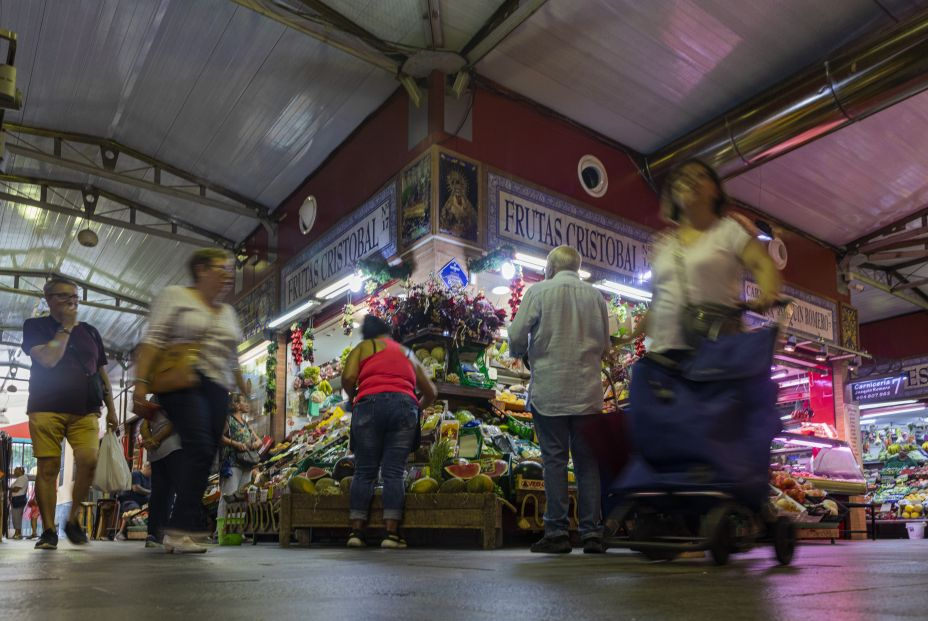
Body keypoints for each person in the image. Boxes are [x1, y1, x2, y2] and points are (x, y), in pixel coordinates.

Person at [131, 248, 250, 554]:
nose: (228, 275)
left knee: (207, 451)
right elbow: (153, 341)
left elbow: (232, 357)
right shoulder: (175, 296)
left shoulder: (227, 313)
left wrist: (242, 388)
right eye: (221, 268)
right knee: (198, 444)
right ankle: (180, 526)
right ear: (201, 269)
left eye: (230, 269)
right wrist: (140, 387)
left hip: (215, 388)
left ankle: (180, 525)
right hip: (181, 381)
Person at [619, 159, 781, 356]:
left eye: (700, 175)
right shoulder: (662, 245)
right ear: (672, 194)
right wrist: (628, 338)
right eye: (682, 178)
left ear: (716, 191)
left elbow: (761, 263)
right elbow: (657, 303)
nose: (690, 180)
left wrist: (768, 293)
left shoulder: (728, 231)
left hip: (713, 354)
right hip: (663, 358)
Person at [508, 246, 611, 554]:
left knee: (554, 460)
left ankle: (557, 533)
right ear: (577, 267)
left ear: (550, 267)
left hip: (550, 392)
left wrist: (520, 353)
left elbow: (515, 335)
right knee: (587, 463)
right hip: (588, 393)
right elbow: (605, 346)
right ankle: (592, 533)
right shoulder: (596, 297)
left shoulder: (539, 292)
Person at [23, 276, 119, 550]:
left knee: (89, 459)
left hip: (86, 408)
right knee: (48, 467)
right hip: (46, 407)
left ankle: (73, 519)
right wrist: (65, 328)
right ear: (49, 299)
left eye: (75, 296)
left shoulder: (90, 331)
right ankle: (49, 531)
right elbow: (49, 359)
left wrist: (112, 408)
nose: (72, 301)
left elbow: (101, 371)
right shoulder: (36, 326)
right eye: (64, 296)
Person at [341, 315, 437, 549]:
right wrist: (415, 406)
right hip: (405, 406)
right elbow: (431, 391)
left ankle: (356, 533)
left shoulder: (364, 347)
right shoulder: (407, 353)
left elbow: (348, 377)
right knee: (394, 471)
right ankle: (391, 535)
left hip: (368, 406)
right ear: (388, 331)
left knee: (364, 471)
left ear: (367, 334)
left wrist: (354, 397)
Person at [141, 410, 182, 548]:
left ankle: (154, 535)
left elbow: (143, 426)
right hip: (173, 448)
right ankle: (175, 534)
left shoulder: (153, 399)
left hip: (156, 452)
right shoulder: (176, 393)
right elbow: (175, 421)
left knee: (159, 493)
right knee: (176, 491)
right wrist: (155, 439)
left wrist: (149, 440)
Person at [218, 395, 262, 524]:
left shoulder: (246, 423)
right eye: (244, 402)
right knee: (228, 496)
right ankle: (222, 529)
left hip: (246, 465)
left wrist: (256, 443)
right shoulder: (229, 420)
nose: (247, 404)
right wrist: (235, 444)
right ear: (236, 405)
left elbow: (258, 439)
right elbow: (219, 437)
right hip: (232, 464)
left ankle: (237, 529)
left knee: (242, 497)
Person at [115, 463, 152, 541]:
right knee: (134, 510)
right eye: (151, 470)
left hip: (142, 502)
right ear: (146, 468)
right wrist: (151, 492)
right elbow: (136, 488)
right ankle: (120, 533)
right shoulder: (136, 474)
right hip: (129, 499)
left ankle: (149, 532)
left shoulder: (150, 478)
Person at [9, 466, 28, 539]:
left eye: (15, 470)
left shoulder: (22, 478)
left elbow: (16, 489)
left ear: (20, 471)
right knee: (16, 516)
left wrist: (9, 489)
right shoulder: (20, 478)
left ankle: (17, 533)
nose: (14, 471)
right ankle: (18, 533)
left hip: (18, 499)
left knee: (16, 516)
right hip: (17, 499)